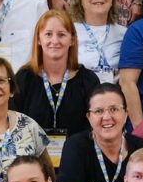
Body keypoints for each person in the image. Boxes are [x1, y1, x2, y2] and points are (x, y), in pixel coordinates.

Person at [57, 83, 143, 182]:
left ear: (126, 113)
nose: (106, 117)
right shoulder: (75, 147)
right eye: (98, 111)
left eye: (114, 109)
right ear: (88, 117)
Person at [11, 10, 93, 151]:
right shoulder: (24, 78)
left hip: (77, 162)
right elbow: (14, 127)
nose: (54, 41)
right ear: (38, 39)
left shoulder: (88, 80)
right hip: (31, 161)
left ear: (72, 39)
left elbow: (92, 130)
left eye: (61, 35)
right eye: (48, 34)